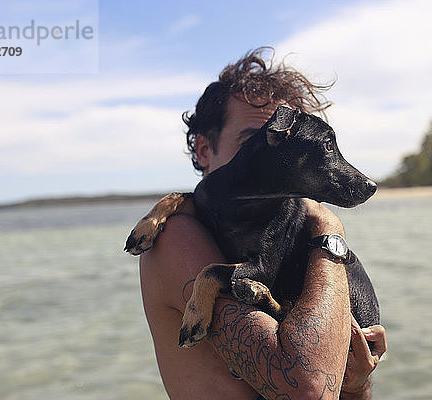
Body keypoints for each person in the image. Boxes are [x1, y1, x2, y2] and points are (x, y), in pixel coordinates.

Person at [139, 48, 387, 400]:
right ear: (203, 149)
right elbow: (308, 389)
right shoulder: (175, 237)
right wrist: (329, 230)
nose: (268, 156)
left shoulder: (287, 232)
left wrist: (357, 384)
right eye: (253, 140)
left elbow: (332, 392)